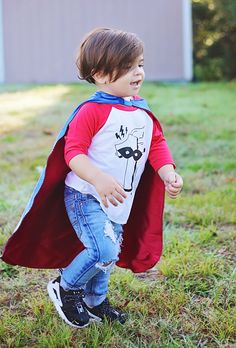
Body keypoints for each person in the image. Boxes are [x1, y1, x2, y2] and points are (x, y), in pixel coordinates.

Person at [1, 28, 183, 329]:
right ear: (99, 75)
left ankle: (95, 301)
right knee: (104, 249)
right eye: (127, 67)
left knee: (108, 255)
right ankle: (66, 286)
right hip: (86, 194)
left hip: (119, 198)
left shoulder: (139, 110)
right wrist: (98, 179)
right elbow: (73, 153)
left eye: (139, 64)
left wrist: (167, 172)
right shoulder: (92, 111)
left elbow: (156, 144)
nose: (137, 72)